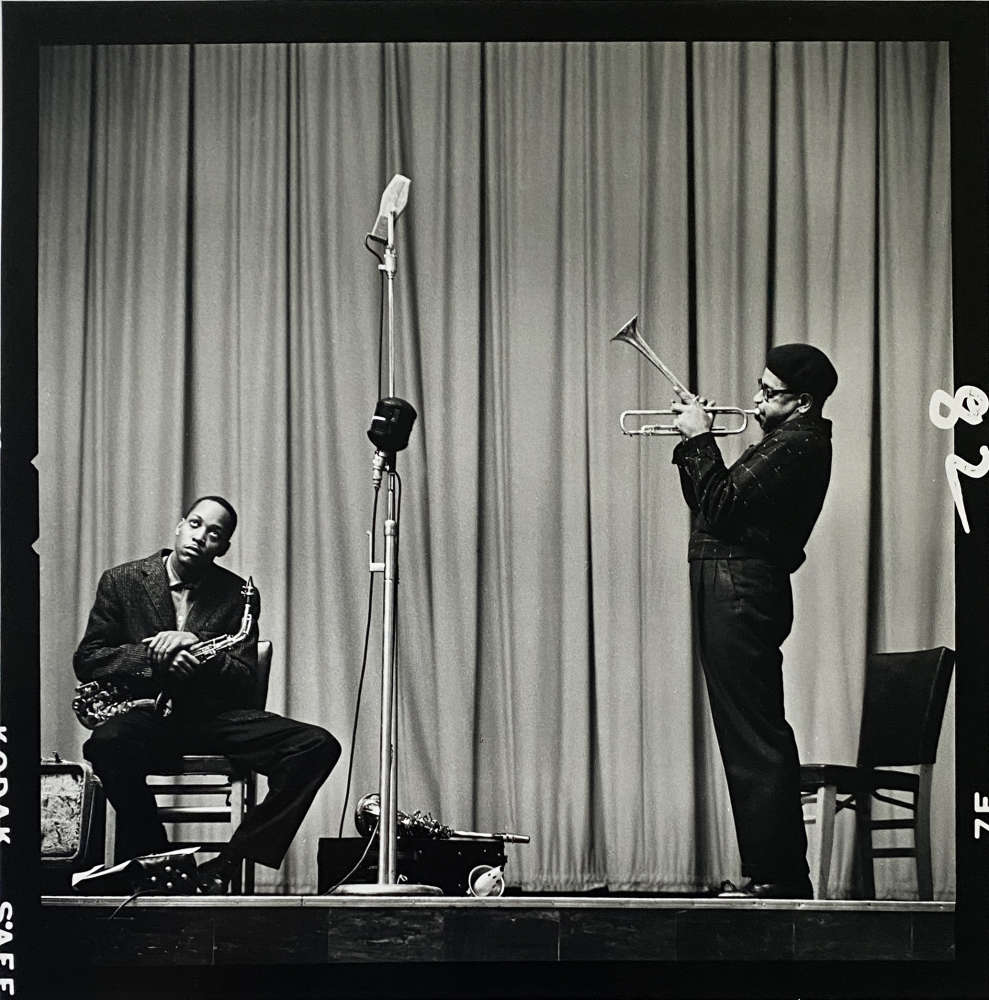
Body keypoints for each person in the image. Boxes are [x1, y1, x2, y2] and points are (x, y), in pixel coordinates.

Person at [74, 495, 341, 894]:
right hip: (146, 717)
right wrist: (153, 656)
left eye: (214, 534)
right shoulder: (121, 580)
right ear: (180, 525)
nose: (201, 537)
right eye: (196, 524)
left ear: (223, 547)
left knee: (318, 745)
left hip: (212, 718)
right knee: (106, 744)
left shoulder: (240, 594)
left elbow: (245, 678)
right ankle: (159, 858)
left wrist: (199, 650)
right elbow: (89, 659)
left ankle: (226, 864)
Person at [670, 343, 837, 899]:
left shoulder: (798, 444)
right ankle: (773, 871)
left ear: (803, 402)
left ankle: (780, 875)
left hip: (740, 587)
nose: (757, 399)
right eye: (760, 387)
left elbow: (720, 507)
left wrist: (700, 440)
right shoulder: (784, 441)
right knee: (747, 731)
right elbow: (709, 504)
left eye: (770, 393)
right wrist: (692, 444)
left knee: (753, 734)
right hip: (730, 583)